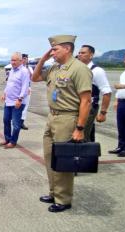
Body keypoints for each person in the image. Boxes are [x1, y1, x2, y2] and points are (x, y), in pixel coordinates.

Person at [32, 35, 92, 213]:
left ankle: (63, 199)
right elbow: (35, 78)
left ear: (67, 48)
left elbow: (86, 101)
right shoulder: (55, 68)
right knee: (50, 158)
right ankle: (54, 192)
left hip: (68, 118)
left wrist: (80, 128)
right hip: (52, 117)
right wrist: (43, 59)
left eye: (55, 49)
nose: (52, 52)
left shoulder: (79, 69)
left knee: (63, 161)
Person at [77, 45, 112, 142]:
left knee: (83, 136)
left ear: (91, 55)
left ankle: (84, 156)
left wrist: (103, 112)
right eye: (79, 52)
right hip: (77, 107)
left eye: (83, 53)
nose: (80, 54)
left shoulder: (97, 71)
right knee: (83, 134)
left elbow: (107, 92)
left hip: (89, 107)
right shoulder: (78, 69)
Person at [0, 52, 30, 148]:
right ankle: (7, 139)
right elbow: (9, 84)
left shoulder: (24, 71)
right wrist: (4, 93)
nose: (12, 62)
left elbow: (25, 87)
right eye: (11, 60)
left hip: (18, 102)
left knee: (16, 124)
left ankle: (13, 141)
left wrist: (20, 99)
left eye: (14, 60)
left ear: (20, 61)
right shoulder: (12, 70)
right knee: (6, 120)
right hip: (8, 101)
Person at [110, 51, 125, 157]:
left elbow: (122, 86)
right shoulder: (124, 73)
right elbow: (119, 89)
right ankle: (120, 146)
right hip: (122, 102)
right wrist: (117, 100)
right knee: (121, 125)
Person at [20, 54, 33, 130]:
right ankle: (16, 121)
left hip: (28, 88)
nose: (25, 60)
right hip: (19, 89)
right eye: (23, 58)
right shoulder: (18, 68)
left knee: (25, 106)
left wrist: (28, 70)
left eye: (26, 59)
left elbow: (32, 77)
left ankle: (22, 122)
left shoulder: (29, 68)